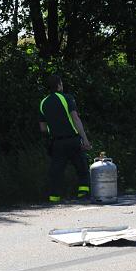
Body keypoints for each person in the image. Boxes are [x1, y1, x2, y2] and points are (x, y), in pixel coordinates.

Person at [39, 74, 92, 203]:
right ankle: (83, 195)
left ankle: (54, 198)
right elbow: (75, 118)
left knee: (56, 172)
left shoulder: (43, 103)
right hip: (72, 140)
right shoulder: (67, 98)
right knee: (82, 168)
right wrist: (84, 139)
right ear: (59, 85)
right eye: (61, 83)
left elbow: (43, 128)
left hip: (56, 142)